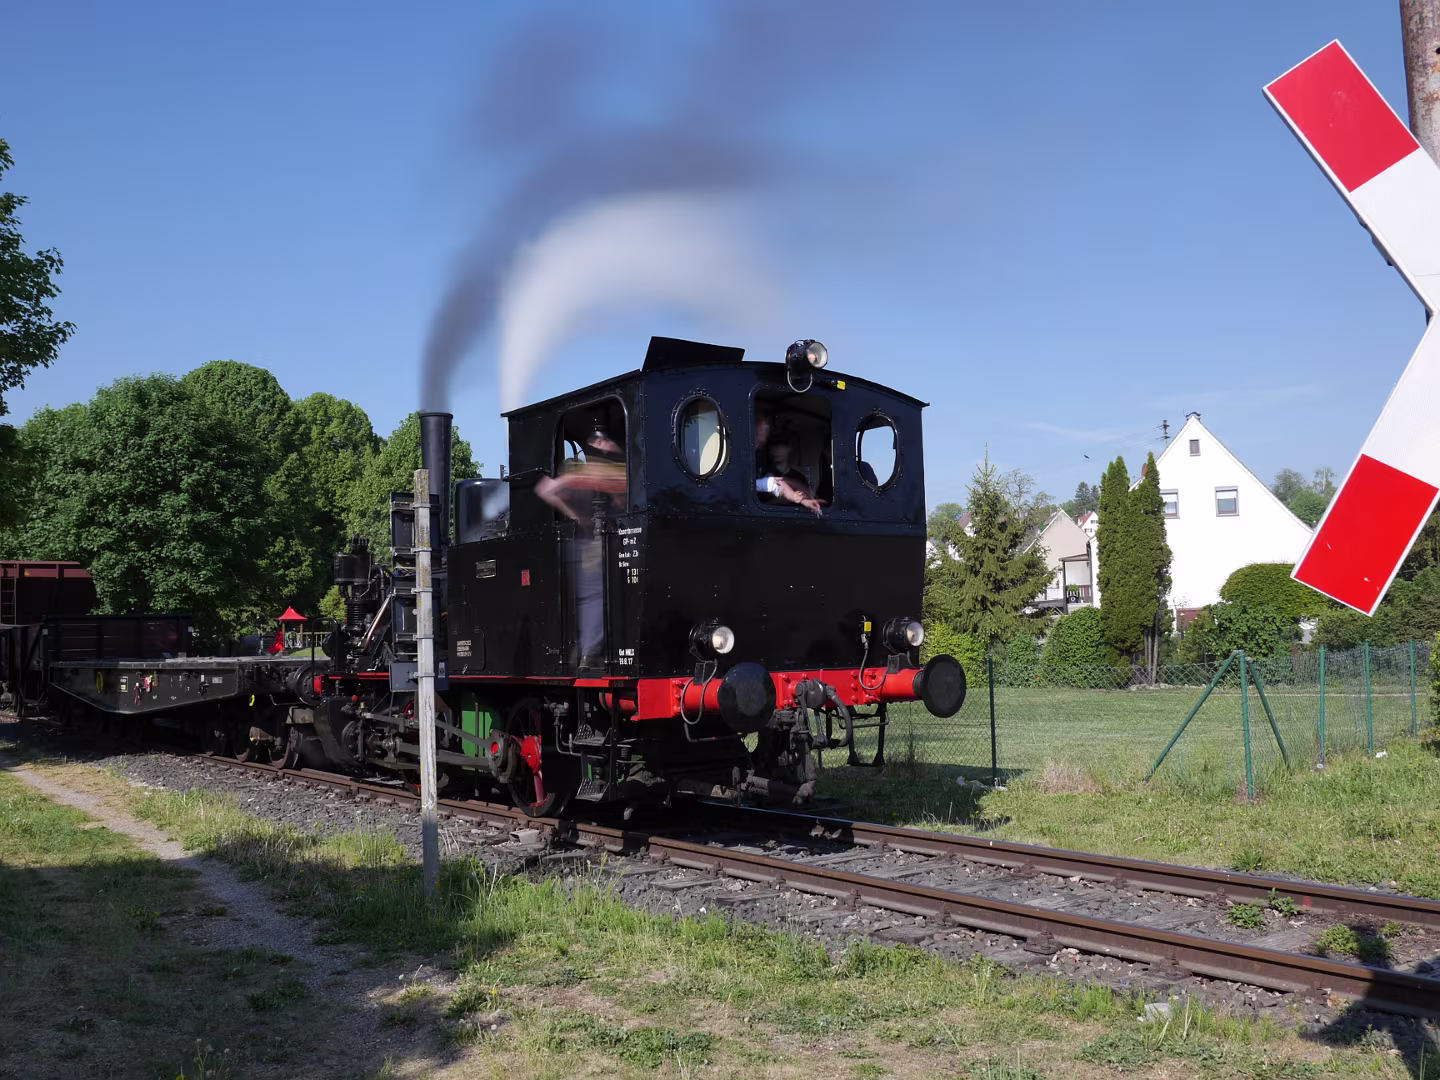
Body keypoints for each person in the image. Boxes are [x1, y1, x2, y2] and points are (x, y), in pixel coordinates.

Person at [536, 424, 627, 672]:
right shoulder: (584, 475)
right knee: (594, 596)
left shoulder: (603, 472)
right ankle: (590, 654)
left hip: (599, 540)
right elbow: (546, 488)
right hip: (587, 544)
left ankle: (593, 649)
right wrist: (576, 516)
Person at [756, 434, 825, 515]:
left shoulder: (798, 477)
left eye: (780, 448)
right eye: (773, 448)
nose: (775, 451)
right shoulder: (765, 476)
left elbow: (807, 496)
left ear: (789, 449)